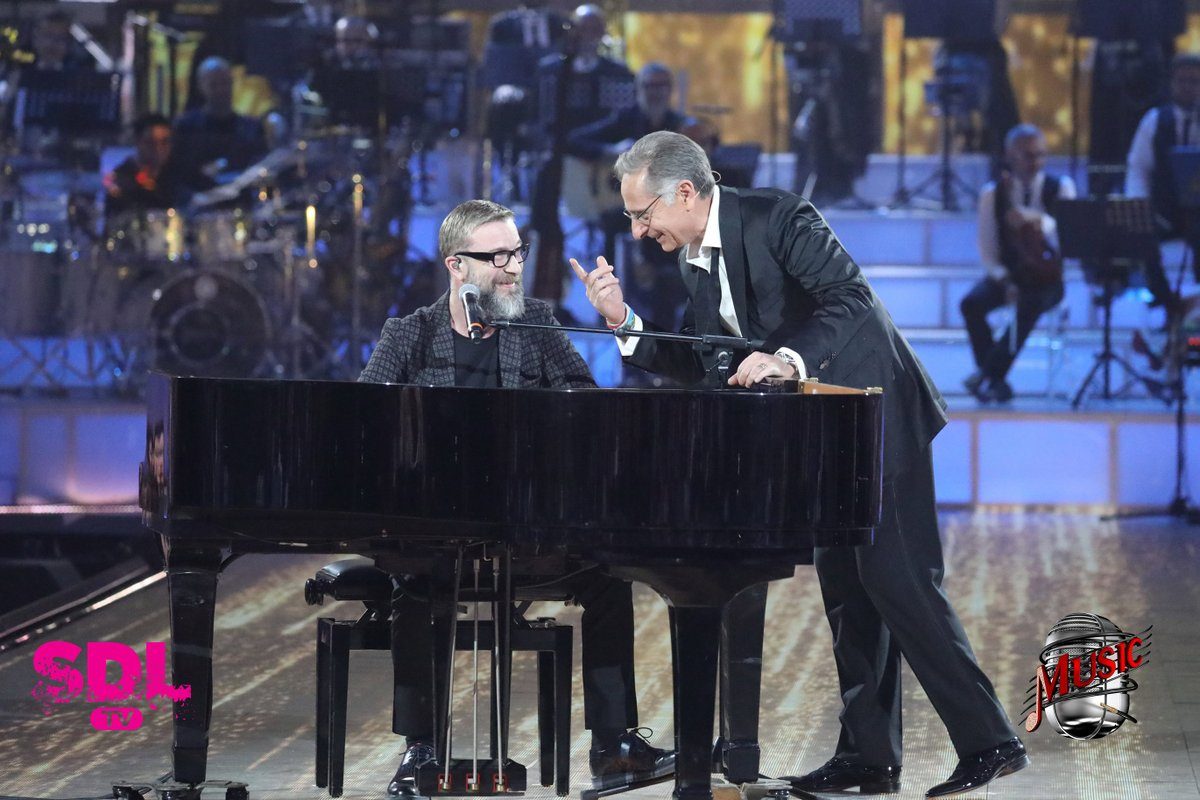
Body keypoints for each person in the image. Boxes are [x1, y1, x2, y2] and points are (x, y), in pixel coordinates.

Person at [569, 131, 1027, 798]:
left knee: (901, 582)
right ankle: (869, 757)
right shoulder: (696, 260)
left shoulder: (779, 217)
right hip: (823, 437)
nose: (638, 232)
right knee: (847, 592)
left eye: (643, 214)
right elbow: (709, 364)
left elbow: (850, 297)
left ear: (685, 193)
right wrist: (624, 324)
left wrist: (785, 358)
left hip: (876, 414)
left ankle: (991, 742)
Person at [359, 199, 673, 797]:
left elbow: (585, 404)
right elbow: (365, 421)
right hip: (437, 539)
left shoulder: (537, 324)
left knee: (610, 576)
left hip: (528, 536)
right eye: (496, 257)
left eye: (516, 254)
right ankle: (421, 750)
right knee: (412, 582)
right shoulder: (410, 334)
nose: (512, 268)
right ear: (456, 265)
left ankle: (613, 747)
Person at [960, 124, 1076, 403]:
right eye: (1027, 155)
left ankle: (987, 375)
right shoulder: (993, 194)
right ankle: (995, 381)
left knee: (1030, 303)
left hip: (1048, 280)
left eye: (1040, 155)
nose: (1035, 162)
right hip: (1010, 275)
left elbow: (1068, 240)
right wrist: (1004, 279)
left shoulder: (1061, 188)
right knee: (971, 304)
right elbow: (988, 250)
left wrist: (1037, 221)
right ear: (1010, 156)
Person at [1126, 52, 1200, 291]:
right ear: (1172, 83)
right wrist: (1139, 206)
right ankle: (1164, 297)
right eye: (1182, 80)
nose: (1188, 87)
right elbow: (1139, 168)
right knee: (1140, 235)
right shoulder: (1155, 120)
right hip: (1164, 210)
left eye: (1194, 81)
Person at [173, 56, 269, 180]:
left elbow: (261, 170)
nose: (220, 90)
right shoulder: (185, 128)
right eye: (213, 84)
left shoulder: (252, 129)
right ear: (201, 86)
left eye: (224, 83)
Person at [103, 114, 206, 218]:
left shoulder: (178, 172)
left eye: (164, 142)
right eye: (150, 143)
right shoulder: (122, 178)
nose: (158, 149)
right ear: (137, 142)